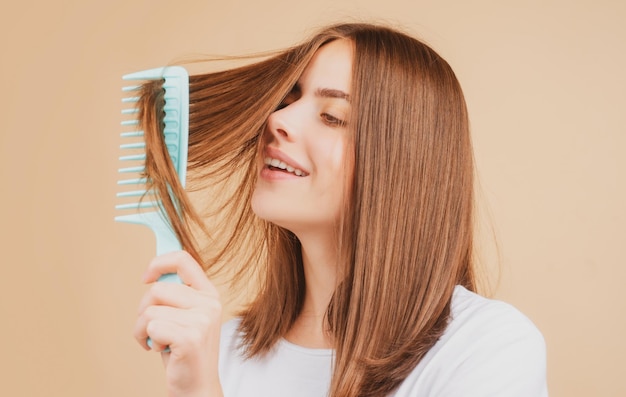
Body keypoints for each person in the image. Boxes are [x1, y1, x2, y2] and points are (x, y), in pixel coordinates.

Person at [133, 23, 548, 397]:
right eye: (288, 99)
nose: (279, 119)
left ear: (402, 164)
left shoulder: (485, 348)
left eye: (331, 117)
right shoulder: (222, 351)